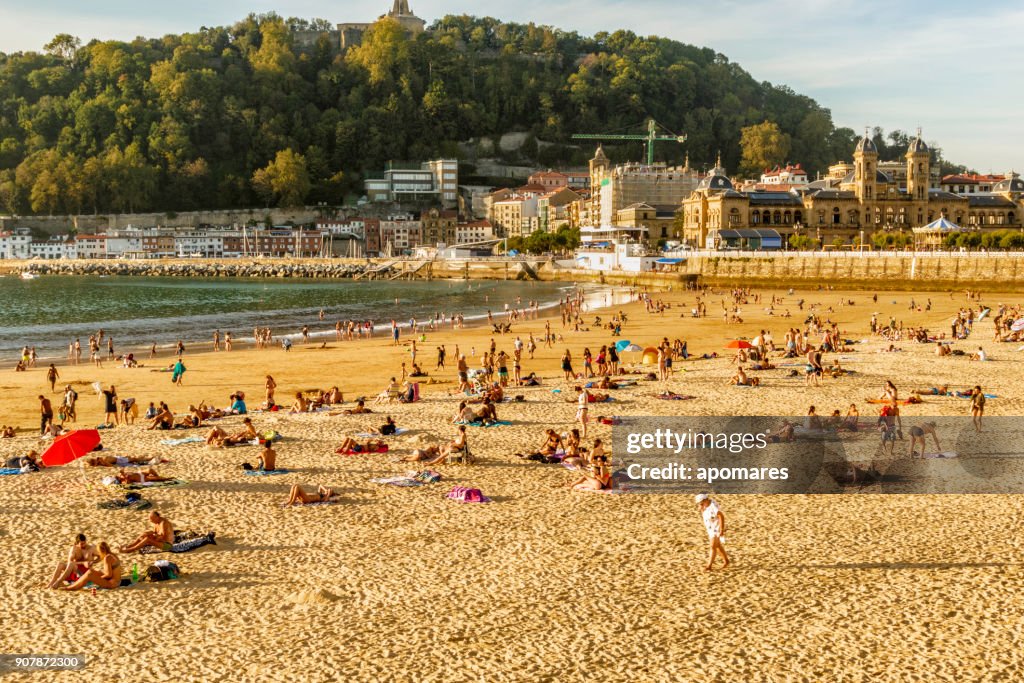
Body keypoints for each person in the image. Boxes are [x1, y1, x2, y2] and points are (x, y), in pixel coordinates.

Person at [696, 494, 730, 571]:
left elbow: (721, 516)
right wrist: (701, 508)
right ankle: (726, 561)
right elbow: (704, 512)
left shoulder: (713, 506)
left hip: (716, 527)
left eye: (701, 502)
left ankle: (709, 566)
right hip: (710, 527)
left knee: (712, 546)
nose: (700, 504)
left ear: (705, 500)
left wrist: (721, 529)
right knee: (717, 546)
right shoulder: (704, 505)